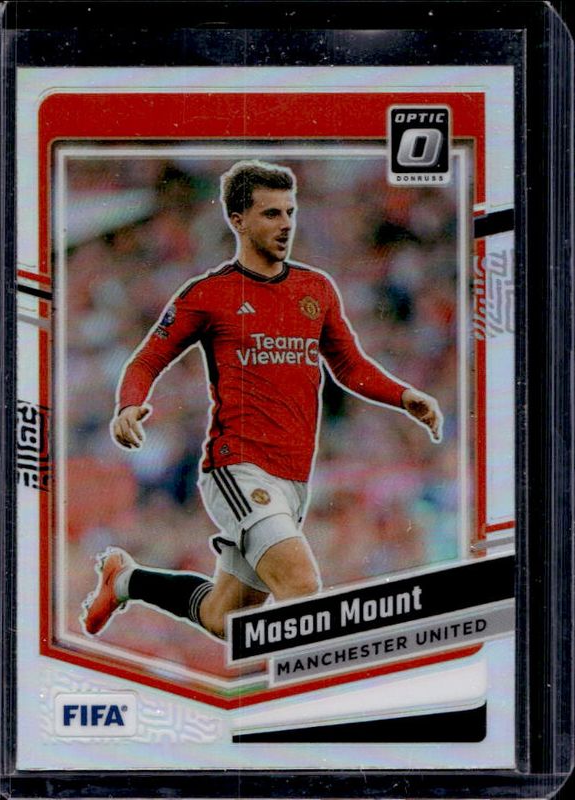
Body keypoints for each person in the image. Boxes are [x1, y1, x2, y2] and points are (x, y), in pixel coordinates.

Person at [81, 160, 442, 641]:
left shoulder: (316, 289)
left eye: (290, 212)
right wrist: (129, 404)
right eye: (271, 213)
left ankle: (126, 580)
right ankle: (321, 690)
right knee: (301, 584)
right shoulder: (209, 294)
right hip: (238, 468)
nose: (286, 224)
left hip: (293, 479)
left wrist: (404, 395)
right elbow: (147, 359)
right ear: (238, 220)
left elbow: (350, 365)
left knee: (225, 619)